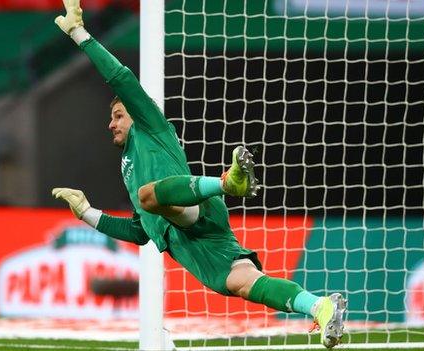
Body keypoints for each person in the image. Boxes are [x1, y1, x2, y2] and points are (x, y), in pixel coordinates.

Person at [51, 0, 346, 347]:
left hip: (196, 208)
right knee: (243, 281)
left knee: (150, 195)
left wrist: (78, 33)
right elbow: (140, 232)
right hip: (191, 242)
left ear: (134, 113)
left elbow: (121, 77)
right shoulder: (128, 166)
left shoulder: (151, 128)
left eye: (118, 115)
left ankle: (226, 182)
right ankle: (320, 307)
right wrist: (87, 213)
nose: (111, 123)